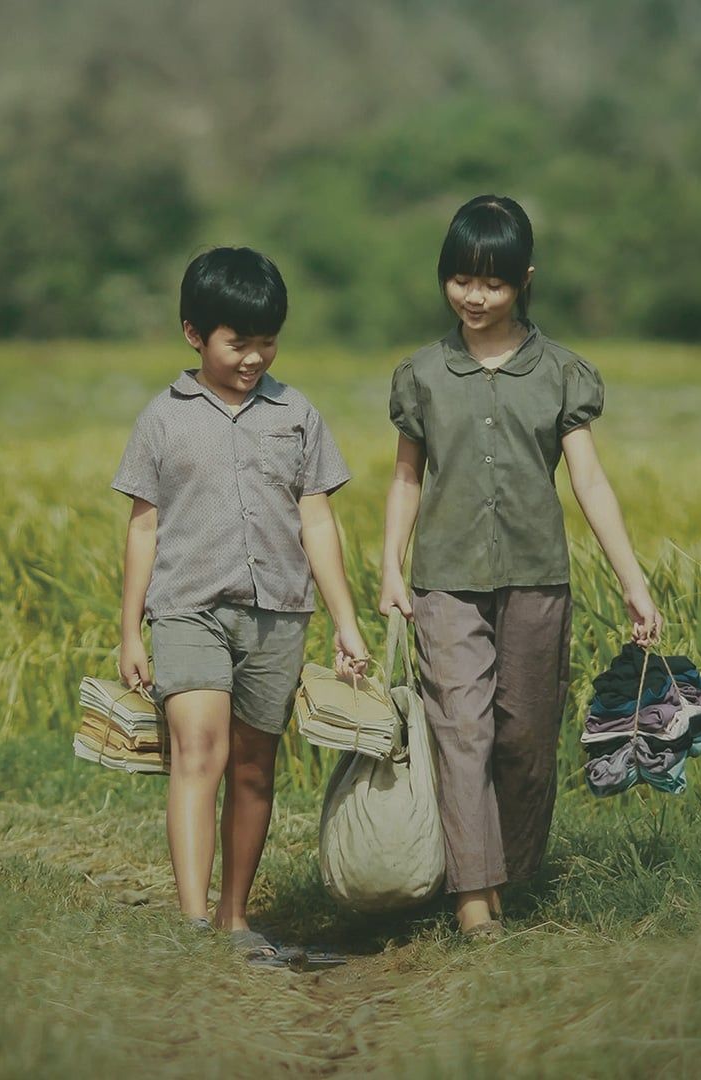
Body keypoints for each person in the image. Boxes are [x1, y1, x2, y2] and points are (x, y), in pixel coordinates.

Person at [377, 194, 661, 937]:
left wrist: (633, 582)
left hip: (539, 577)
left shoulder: (562, 373)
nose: (475, 296)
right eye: (461, 279)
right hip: (446, 579)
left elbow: (590, 483)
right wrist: (388, 568)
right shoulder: (422, 375)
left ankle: (506, 869)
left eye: (493, 282)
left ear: (523, 280)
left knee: (525, 740)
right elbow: (406, 477)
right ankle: (474, 901)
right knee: (462, 731)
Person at [113, 247, 369, 966]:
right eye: (238, 341)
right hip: (187, 609)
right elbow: (143, 527)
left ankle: (234, 916)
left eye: (267, 340)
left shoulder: (298, 414)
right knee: (200, 750)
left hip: (278, 614)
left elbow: (317, 520)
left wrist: (346, 622)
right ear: (194, 334)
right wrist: (130, 630)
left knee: (255, 768)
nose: (254, 356)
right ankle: (194, 923)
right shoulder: (162, 418)